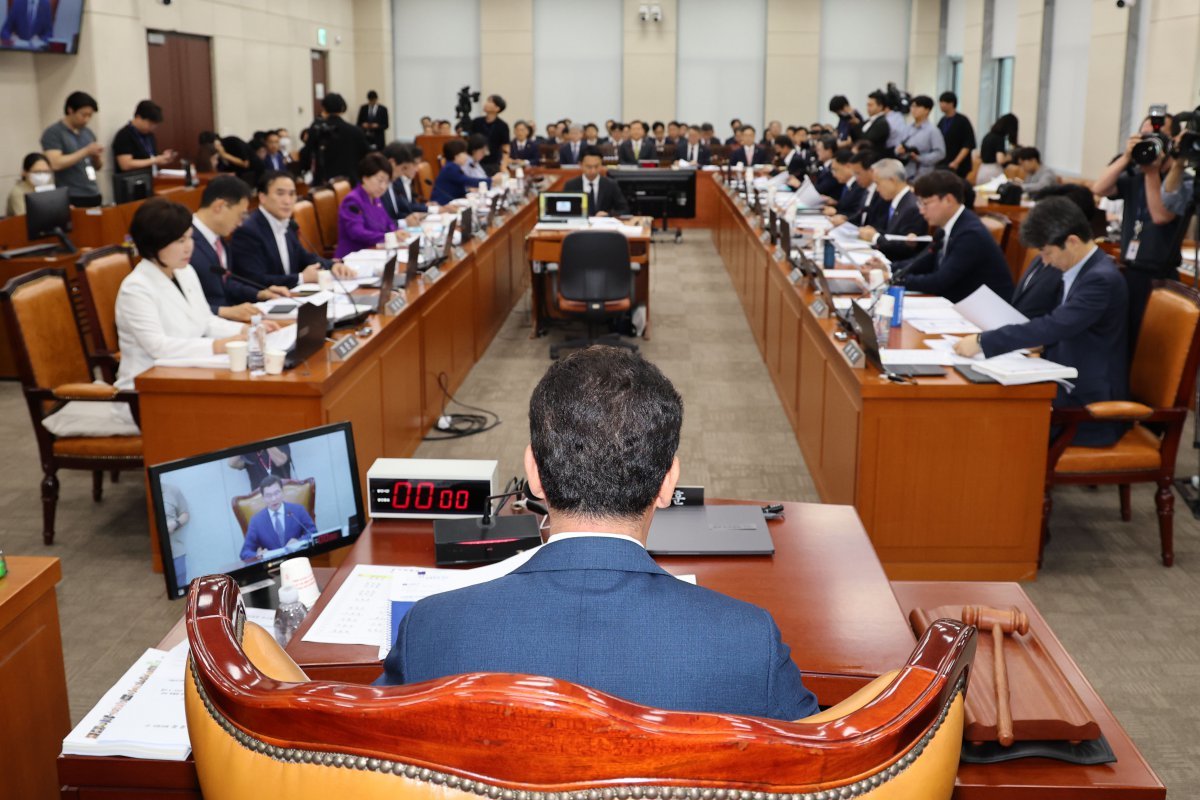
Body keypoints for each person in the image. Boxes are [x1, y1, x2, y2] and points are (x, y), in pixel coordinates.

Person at [378, 346, 820, 721]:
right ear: (669, 482)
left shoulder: (431, 629)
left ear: (534, 473)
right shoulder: (746, 640)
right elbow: (827, 767)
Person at [954, 198, 1129, 447]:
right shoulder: (1080, 270)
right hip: (1064, 378)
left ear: (1072, 241)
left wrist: (985, 341)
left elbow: (1055, 325)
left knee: (993, 420)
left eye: (1047, 252)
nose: (1045, 261)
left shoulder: (1100, 279)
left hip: (1087, 404)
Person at [115, 198, 259, 392]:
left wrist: (246, 331)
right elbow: (158, 347)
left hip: (190, 372)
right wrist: (217, 346)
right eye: (180, 240)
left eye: (190, 237)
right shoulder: (136, 288)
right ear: (155, 243)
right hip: (148, 387)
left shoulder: (185, 271)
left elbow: (206, 321)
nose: (189, 246)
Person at [1092, 117, 1189, 351]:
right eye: (1144, 135)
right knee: (1123, 343)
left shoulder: (1180, 180)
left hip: (1160, 278)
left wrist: (1152, 173)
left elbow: (1160, 216)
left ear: (1173, 141)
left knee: (1148, 348)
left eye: (1157, 136)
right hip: (1130, 272)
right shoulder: (1135, 174)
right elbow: (1099, 188)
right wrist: (1127, 157)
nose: (1150, 141)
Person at [891, 170, 1014, 302]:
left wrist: (893, 278)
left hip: (986, 311)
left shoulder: (970, 234)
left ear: (948, 200)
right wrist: (889, 268)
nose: (921, 210)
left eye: (925, 203)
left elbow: (939, 282)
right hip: (960, 303)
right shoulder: (947, 227)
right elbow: (923, 262)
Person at [190, 176, 288, 321]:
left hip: (227, 325)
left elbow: (225, 283)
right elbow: (179, 305)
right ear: (219, 206)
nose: (241, 223)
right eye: (240, 215)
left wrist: (259, 293)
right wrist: (224, 311)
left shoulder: (220, 240)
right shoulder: (183, 241)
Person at [231, 170, 352, 287]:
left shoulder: (288, 224)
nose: (287, 201)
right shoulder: (248, 231)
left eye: (292, 194)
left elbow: (304, 257)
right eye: (280, 194)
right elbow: (254, 280)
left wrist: (332, 266)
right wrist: (301, 278)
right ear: (262, 197)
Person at [856, 158, 927, 261]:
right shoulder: (895, 201)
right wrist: (874, 231)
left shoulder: (912, 206)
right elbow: (892, 233)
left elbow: (905, 246)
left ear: (892, 180)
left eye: (878, 183)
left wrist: (875, 237)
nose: (877, 189)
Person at [41, 91, 103, 207]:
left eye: (90, 116)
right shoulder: (54, 133)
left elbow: (98, 167)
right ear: (70, 110)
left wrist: (96, 156)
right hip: (72, 195)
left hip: (93, 191)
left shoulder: (88, 132)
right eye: (83, 115)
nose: (87, 119)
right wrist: (86, 151)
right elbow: (55, 163)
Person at [333, 153, 398, 258]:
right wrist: (388, 236)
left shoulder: (376, 199)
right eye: (380, 180)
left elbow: (388, 222)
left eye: (387, 182)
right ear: (365, 178)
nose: (383, 187)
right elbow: (357, 233)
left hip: (374, 253)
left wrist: (396, 232)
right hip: (353, 257)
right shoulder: (352, 201)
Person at [240, 475, 316, 562]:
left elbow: (313, 533)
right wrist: (258, 555)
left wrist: (299, 542)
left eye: (277, 493)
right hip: (273, 566)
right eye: (268, 495)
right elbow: (245, 552)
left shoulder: (298, 510)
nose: (274, 499)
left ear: (282, 492)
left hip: (299, 559)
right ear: (263, 498)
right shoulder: (256, 521)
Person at [308, 93, 369, 185]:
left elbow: (308, 153)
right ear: (342, 109)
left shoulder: (317, 130)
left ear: (324, 108)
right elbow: (365, 155)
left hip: (324, 183)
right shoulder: (355, 131)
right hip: (350, 181)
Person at [111, 100, 176, 174]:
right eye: (150, 124)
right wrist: (155, 160)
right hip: (133, 180)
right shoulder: (124, 135)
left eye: (154, 125)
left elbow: (150, 158)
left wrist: (162, 158)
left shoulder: (149, 135)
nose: (152, 127)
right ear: (138, 117)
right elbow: (125, 164)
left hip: (152, 177)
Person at [563, 147, 629, 217]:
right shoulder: (571, 185)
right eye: (589, 167)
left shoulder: (610, 185)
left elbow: (625, 210)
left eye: (596, 166)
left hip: (604, 225)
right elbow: (564, 210)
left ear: (601, 165)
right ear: (580, 165)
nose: (593, 171)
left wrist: (608, 215)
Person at [895, 95, 945, 180]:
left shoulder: (933, 131)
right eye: (912, 106)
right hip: (905, 171)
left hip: (924, 174)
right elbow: (897, 146)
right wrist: (900, 151)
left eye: (917, 106)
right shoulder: (907, 128)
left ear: (927, 110)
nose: (913, 109)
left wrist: (919, 158)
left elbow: (940, 153)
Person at [380, 143, 428, 224]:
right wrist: (404, 222)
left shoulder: (391, 184)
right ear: (392, 163)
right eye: (403, 168)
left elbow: (396, 214)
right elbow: (380, 222)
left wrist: (411, 218)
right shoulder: (379, 187)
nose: (402, 174)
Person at [431, 139, 491, 204]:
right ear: (456, 156)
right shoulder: (450, 168)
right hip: (441, 203)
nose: (467, 156)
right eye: (464, 153)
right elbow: (468, 181)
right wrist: (491, 180)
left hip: (451, 201)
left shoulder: (453, 166)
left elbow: (459, 188)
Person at [937, 91, 976, 179]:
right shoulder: (942, 121)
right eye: (940, 102)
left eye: (944, 102)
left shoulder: (962, 120)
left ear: (952, 104)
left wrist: (956, 162)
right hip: (943, 163)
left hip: (958, 165)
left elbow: (968, 144)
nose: (941, 105)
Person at [469, 94, 510, 176]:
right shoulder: (476, 122)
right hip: (476, 163)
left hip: (493, 164)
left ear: (497, 108)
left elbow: (506, 147)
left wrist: (503, 166)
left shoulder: (502, 126)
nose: (486, 103)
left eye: (490, 101)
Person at [160, 483, 191, 587]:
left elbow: (185, 514)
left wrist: (175, 523)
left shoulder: (172, 490)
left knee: (179, 590)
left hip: (176, 552)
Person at [228, 445, 294, 489]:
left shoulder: (278, 441)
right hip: (260, 497)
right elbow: (232, 463)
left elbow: (280, 461)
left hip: (283, 490)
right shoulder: (248, 450)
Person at [977, 113, 1019, 184]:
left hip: (982, 170)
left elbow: (979, 155)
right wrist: (1009, 157)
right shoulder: (999, 138)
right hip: (993, 171)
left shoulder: (988, 136)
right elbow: (1000, 160)